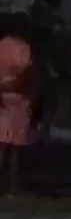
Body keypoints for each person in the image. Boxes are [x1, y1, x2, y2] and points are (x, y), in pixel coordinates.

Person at [0, 13, 38, 198]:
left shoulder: (2, 44)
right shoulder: (24, 47)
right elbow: (26, 75)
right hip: (19, 97)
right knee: (15, 147)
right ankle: (11, 186)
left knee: (2, 143)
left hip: (3, 96)